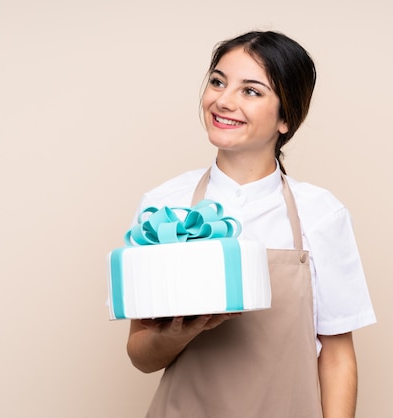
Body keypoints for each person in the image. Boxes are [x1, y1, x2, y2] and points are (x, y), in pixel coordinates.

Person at [126, 30, 376, 418]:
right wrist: (182, 331)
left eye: (251, 91)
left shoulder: (321, 213)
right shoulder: (163, 205)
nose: (222, 100)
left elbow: (338, 355)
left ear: (287, 117)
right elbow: (140, 356)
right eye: (217, 82)